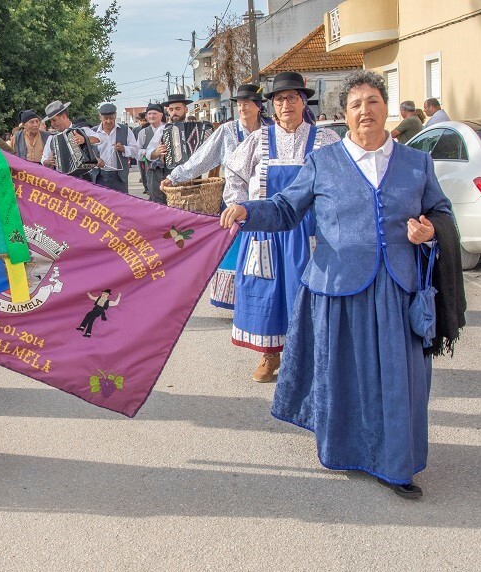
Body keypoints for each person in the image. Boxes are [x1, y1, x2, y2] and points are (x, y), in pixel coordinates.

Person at [221, 70, 455, 499]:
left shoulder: (416, 163)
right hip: (336, 288)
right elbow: (285, 210)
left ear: (386, 108)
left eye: (373, 102)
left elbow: (442, 212)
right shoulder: (323, 162)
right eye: (355, 104)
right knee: (345, 376)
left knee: (399, 379)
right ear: (344, 114)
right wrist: (245, 212)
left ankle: (396, 465)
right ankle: (346, 451)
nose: (365, 110)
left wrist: (431, 230)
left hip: (396, 289)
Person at [223, 71, 340, 383]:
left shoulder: (326, 140)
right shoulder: (257, 141)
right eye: (279, 99)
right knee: (267, 292)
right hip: (266, 231)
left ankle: (312, 359)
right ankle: (269, 355)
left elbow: (342, 182)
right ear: (271, 107)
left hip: (310, 231)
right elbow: (233, 175)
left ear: (303, 101)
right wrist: (238, 205)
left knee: (309, 294)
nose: (286, 104)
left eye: (292, 97)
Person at [162, 83, 273, 310]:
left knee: (264, 250)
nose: (242, 107)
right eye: (239, 103)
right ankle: (238, 300)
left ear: (258, 106)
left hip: (264, 199)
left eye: (247, 103)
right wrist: (175, 177)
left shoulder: (270, 130)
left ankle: (265, 298)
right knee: (236, 249)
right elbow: (202, 158)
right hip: (235, 200)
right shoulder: (227, 131)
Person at [41, 100, 102, 176]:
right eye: (51, 121)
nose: (52, 124)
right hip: (63, 182)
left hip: (85, 180)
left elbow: (101, 139)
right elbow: (44, 159)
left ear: (63, 116)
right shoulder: (52, 138)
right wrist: (47, 162)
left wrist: (85, 139)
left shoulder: (82, 130)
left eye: (54, 120)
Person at [91, 103, 138, 193]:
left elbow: (135, 150)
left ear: (115, 116)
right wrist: (95, 160)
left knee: (121, 204)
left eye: (111, 118)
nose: (108, 121)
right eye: (106, 118)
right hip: (99, 177)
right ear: (100, 117)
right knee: (102, 205)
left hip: (119, 177)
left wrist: (123, 148)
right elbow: (85, 153)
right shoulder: (92, 132)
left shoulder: (125, 130)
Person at [135, 103, 164, 196]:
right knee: (155, 195)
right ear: (146, 116)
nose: (152, 116)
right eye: (149, 114)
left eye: (155, 113)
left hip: (168, 169)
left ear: (161, 115)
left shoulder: (168, 128)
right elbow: (136, 152)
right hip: (151, 170)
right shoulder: (143, 132)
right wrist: (148, 152)